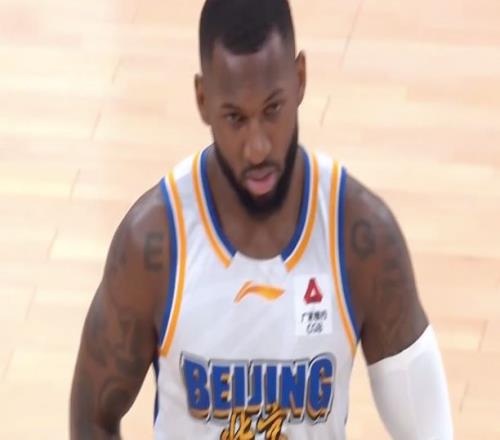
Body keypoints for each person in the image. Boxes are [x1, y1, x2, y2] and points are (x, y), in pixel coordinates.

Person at [70, 0, 453, 438]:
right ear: (203, 100)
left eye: (272, 110)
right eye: (235, 118)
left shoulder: (361, 239)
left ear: (300, 78)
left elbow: (430, 432)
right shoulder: (153, 246)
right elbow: (93, 414)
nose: (257, 148)